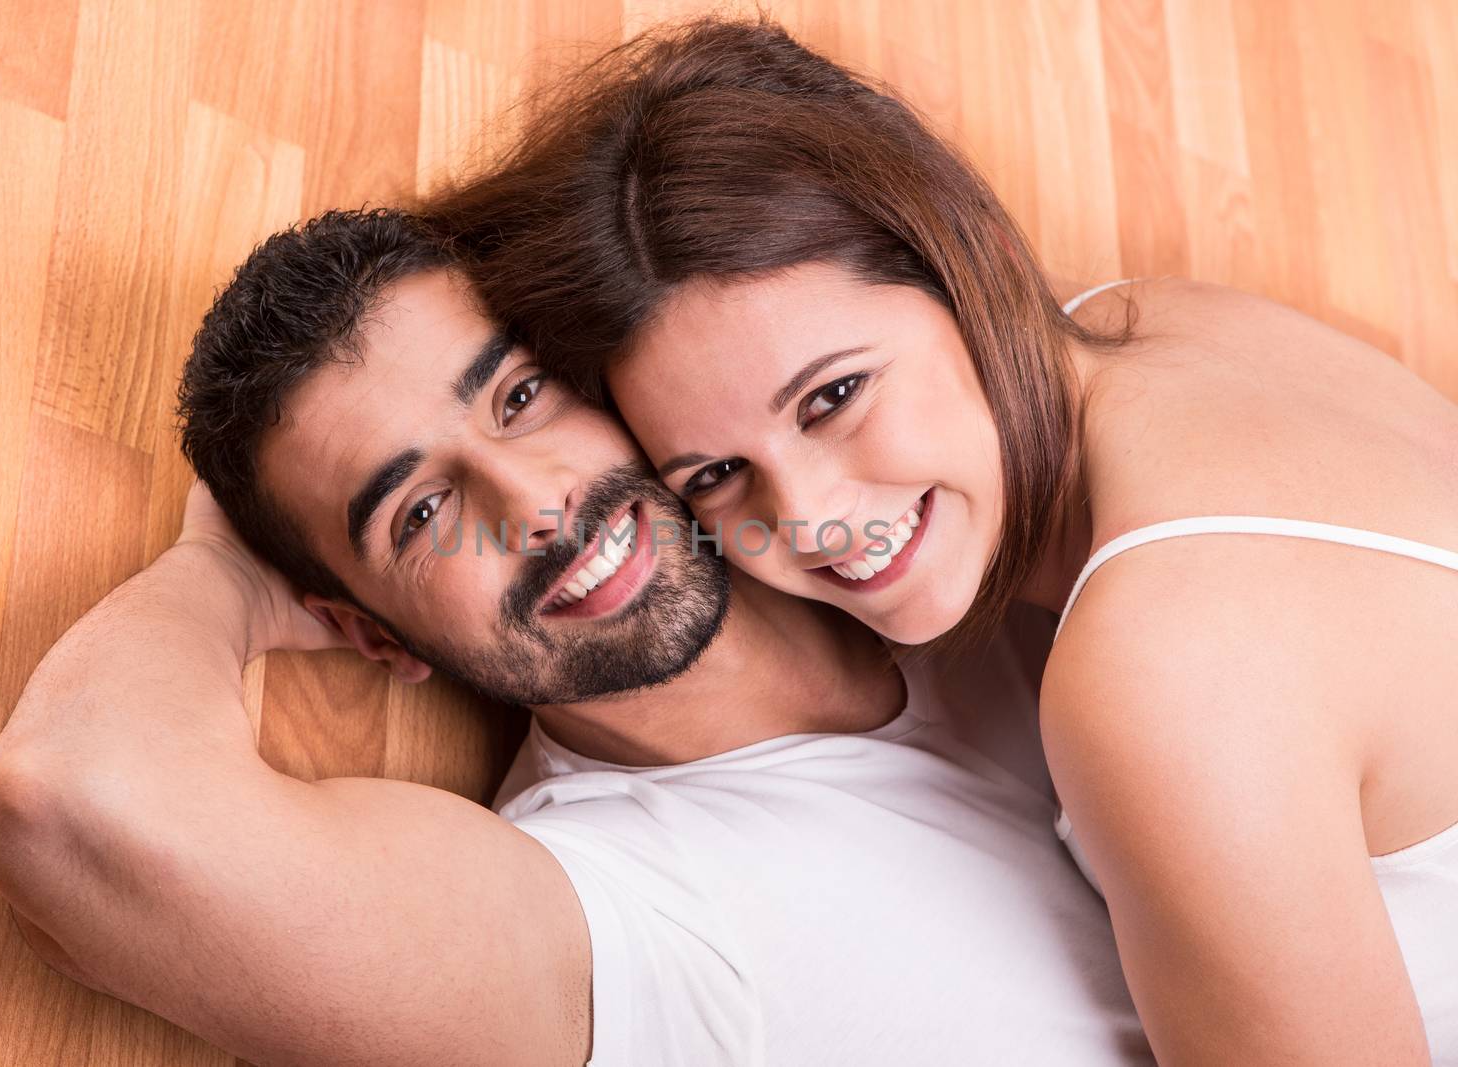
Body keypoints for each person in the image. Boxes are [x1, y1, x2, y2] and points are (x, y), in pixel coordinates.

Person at [435, 17, 1458, 1066]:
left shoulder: (1163, 674)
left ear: (968, 258)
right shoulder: (1154, 321)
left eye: (832, 397)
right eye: (714, 475)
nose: (810, 516)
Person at [0, 209, 1151, 1066]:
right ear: (368, 629)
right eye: (422, 512)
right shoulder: (613, 910)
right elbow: (74, 806)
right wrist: (216, 571)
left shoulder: (922, 510)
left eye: (523, 397)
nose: (534, 506)